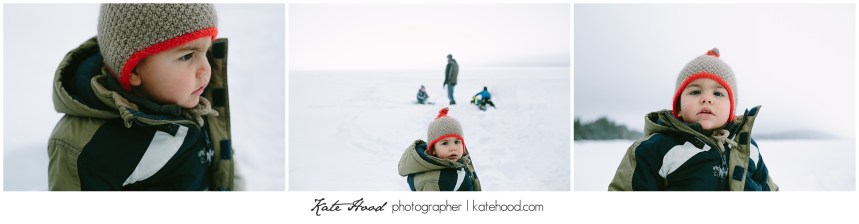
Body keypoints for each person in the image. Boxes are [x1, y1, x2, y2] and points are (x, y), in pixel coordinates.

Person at [48, 4, 237, 191]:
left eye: (207, 51)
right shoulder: (92, 148)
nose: (206, 70)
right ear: (135, 70)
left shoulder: (187, 97)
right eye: (187, 56)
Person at [608, 48, 777, 191]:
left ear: (731, 109)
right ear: (679, 108)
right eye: (695, 92)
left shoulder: (747, 148)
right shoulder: (655, 150)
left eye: (718, 93)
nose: (706, 99)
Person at [398, 107, 481, 191]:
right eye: (445, 143)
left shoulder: (458, 163)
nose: (453, 148)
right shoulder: (433, 181)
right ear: (433, 149)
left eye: (457, 142)